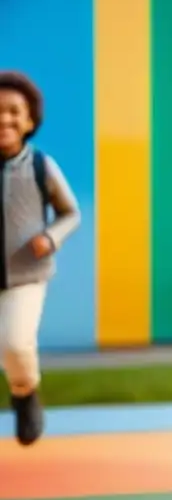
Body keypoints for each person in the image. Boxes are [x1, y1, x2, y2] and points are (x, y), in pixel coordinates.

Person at [0, 71, 81, 446]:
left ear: (30, 120)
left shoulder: (40, 166)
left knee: (16, 344)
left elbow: (71, 213)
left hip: (26, 275)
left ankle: (24, 391)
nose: (5, 119)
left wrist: (51, 237)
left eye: (14, 112)